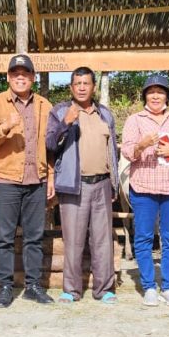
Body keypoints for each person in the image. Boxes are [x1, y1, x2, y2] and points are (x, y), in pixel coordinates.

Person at [0, 55, 55, 308]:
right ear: (8, 77)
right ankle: (5, 287)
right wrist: (5, 128)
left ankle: (33, 286)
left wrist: (51, 176)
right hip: (5, 179)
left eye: (25, 73)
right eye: (15, 74)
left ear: (33, 77)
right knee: (5, 237)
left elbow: (52, 145)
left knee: (35, 236)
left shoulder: (45, 105)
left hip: (37, 180)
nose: (20, 77)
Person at [120, 74, 169, 308]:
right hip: (143, 187)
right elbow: (126, 150)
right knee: (143, 237)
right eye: (151, 91)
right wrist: (142, 145)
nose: (155, 96)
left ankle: (168, 286)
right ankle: (148, 286)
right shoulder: (135, 120)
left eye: (160, 91)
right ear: (145, 95)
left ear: (167, 96)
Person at [45, 66, 119, 304]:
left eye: (86, 83)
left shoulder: (105, 114)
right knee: (74, 240)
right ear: (71, 87)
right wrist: (65, 124)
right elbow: (48, 144)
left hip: (102, 184)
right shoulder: (60, 111)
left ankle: (104, 289)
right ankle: (71, 290)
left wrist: (115, 184)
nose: (82, 87)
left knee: (102, 240)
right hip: (73, 185)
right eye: (77, 84)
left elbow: (113, 152)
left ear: (93, 87)